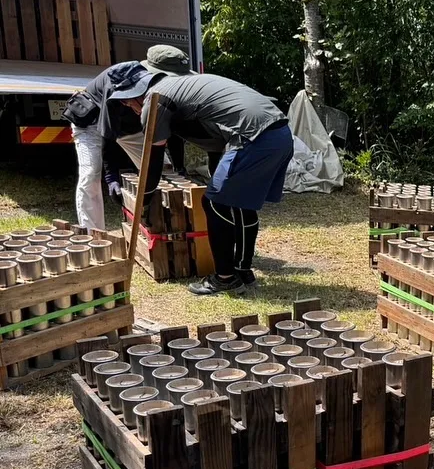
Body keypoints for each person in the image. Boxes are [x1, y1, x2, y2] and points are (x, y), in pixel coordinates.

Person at [112, 66, 293, 295]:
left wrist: (144, 198)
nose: (132, 110)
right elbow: (216, 132)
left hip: (251, 137)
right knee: (240, 204)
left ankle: (225, 278)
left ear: (135, 93)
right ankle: (243, 271)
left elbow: (153, 161)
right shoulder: (180, 86)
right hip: (279, 133)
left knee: (214, 203)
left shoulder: (155, 100)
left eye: (128, 104)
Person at [63, 60, 148, 230]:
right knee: (91, 173)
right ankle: (92, 235)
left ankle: (156, 224)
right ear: (128, 98)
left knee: (161, 167)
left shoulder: (154, 88)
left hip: (125, 126)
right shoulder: (115, 91)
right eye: (138, 105)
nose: (141, 109)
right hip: (91, 124)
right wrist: (112, 179)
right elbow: (108, 138)